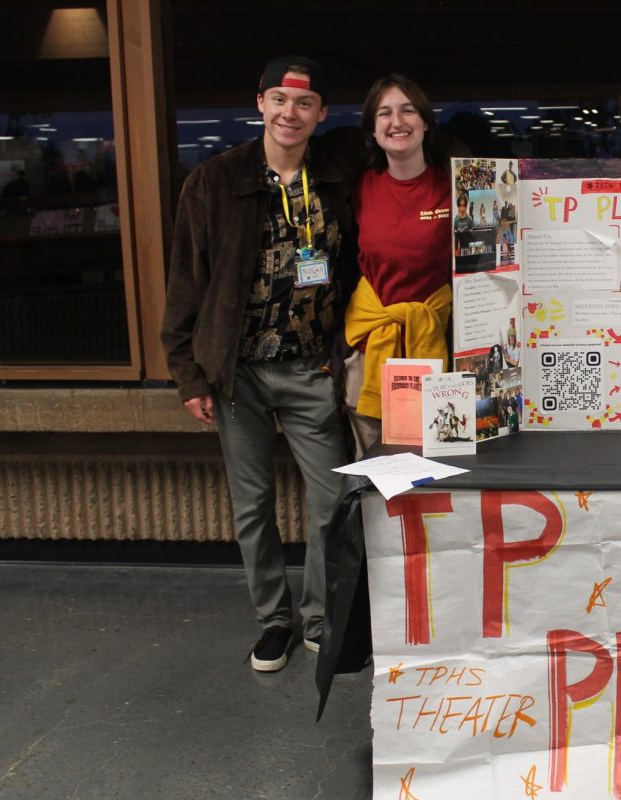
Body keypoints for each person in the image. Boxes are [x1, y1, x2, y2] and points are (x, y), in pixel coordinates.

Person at [161, 56, 366, 672]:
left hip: (311, 369)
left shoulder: (336, 179)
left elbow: (355, 268)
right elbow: (185, 281)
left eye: (304, 103)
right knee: (252, 504)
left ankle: (320, 616)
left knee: (331, 499)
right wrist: (187, 374)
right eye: (279, 99)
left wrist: (341, 352)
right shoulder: (216, 180)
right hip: (237, 372)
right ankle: (273, 622)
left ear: (321, 113)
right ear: (260, 104)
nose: (290, 112)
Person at [343, 74, 452, 456]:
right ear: (373, 129)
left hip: (439, 346)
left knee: (438, 463)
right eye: (385, 113)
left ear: (425, 122)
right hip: (374, 348)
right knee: (374, 473)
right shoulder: (356, 189)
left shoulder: (457, 188)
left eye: (408, 111)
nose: (397, 122)